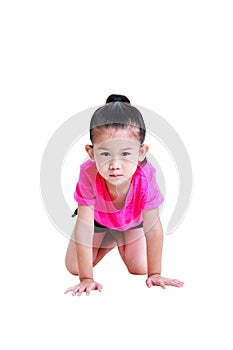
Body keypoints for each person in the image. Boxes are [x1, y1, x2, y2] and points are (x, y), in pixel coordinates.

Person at [64, 94, 184, 296]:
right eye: (105, 154)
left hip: (131, 223)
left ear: (141, 152)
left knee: (140, 267)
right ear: (91, 152)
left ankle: (118, 237)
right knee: (74, 267)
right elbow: (85, 228)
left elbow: (153, 229)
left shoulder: (146, 177)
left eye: (126, 154)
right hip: (97, 221)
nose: (115, 165)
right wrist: (86, 278)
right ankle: (110, 236)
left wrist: (155, 273)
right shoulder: (88, 172)